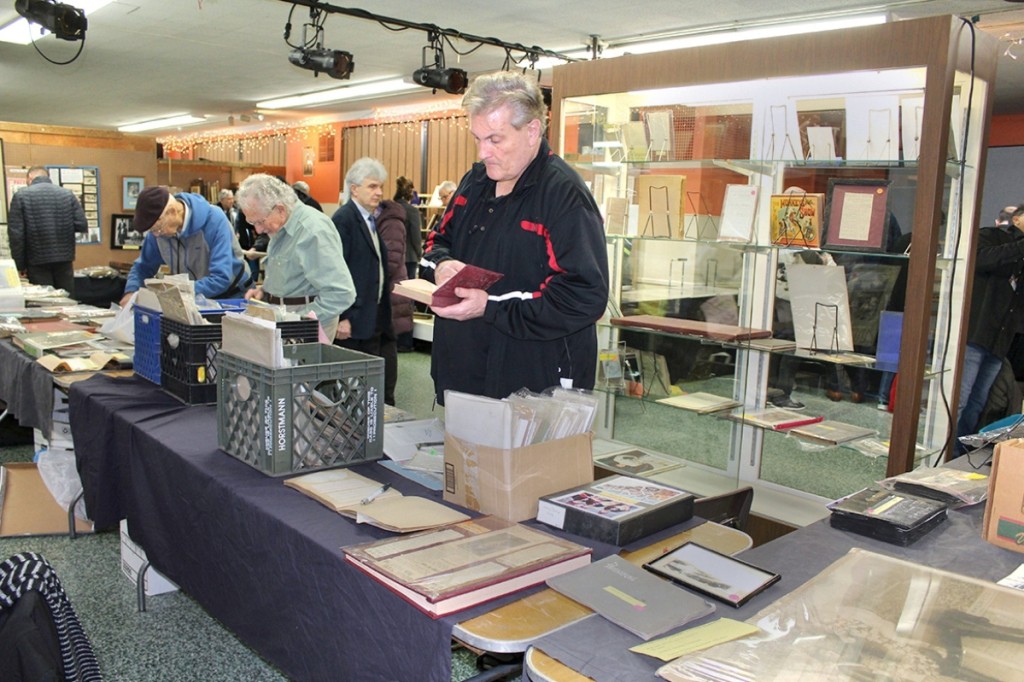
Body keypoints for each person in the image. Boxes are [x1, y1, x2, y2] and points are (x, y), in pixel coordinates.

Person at [421, 71, 609, 403]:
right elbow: (435, 242)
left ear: (532, 130)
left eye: (494, 139)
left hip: (535, 386)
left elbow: (583, 297)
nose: (482, 152)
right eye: (476, 138)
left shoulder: (564, 196)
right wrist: (442, 265)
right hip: (464, 372)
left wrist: (489, 307)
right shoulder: (474, 183)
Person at [236, 174, 354, 340]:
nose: (259, 230)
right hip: (287, 322)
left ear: (280, 209)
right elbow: (291, 274)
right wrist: (266, 291)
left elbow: (341, 293)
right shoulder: (281, 226)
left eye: (260, 222)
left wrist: (299, 322)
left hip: (306, 330)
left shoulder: (313, 231)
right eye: (253, 223)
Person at [331, 157, 400, 405]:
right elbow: (336, 272)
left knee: (378, 381)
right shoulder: (343, 221)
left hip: (376, 316)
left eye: (380, 186)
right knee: (355, 389)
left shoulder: (370, 220)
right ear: (354, 189)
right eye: (372, 187)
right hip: (355, 320)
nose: (379, 192)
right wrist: (343, 315)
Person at [956, 203, 1024, 444]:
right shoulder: (991, 236)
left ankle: (960, 453)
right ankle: (945, 451)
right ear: (1016, 219)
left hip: (1001, 340)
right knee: (960, 399)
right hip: (977, 333)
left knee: (978, 402)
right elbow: (978, 260)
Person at [119, 185, 252, 305]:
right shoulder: (158, 231)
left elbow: (221, 278)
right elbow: (143, 267)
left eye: (158, 229)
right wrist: (132, 290)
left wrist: (176, 291)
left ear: (172, 211)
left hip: (234, 296)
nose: (156, 235)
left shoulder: (214, 220)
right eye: (152, 231)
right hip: (194, 297)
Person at [7, 166, 87, 292]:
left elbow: (16, 235)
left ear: (30, 178)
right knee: (68, 301)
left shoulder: (21, 196)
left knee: (45, 301)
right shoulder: (67, 194)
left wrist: (19, 265)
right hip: (64, 258)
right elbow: (81, 224)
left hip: (36, 258)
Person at [394, 176, 422, 352]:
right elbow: (416, 238)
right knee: (406, 301)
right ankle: (405, 340)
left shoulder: (387, 207)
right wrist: (420, 256)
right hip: (409, 259)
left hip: (392, 259)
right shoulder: (411, 211)